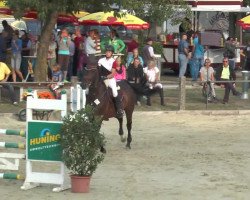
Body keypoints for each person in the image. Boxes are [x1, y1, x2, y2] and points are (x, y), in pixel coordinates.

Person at [98, 45, 124, 118]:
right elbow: (98, 70)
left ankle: (119, 109)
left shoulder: (114, 61)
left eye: (109, 52)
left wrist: (105, 77)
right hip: (100, 78)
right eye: (106, 51)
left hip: (109, 79)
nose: (107, 53)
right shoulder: (100, 60)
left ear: (112, 53)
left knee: (114, 91)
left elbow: (113, 74)